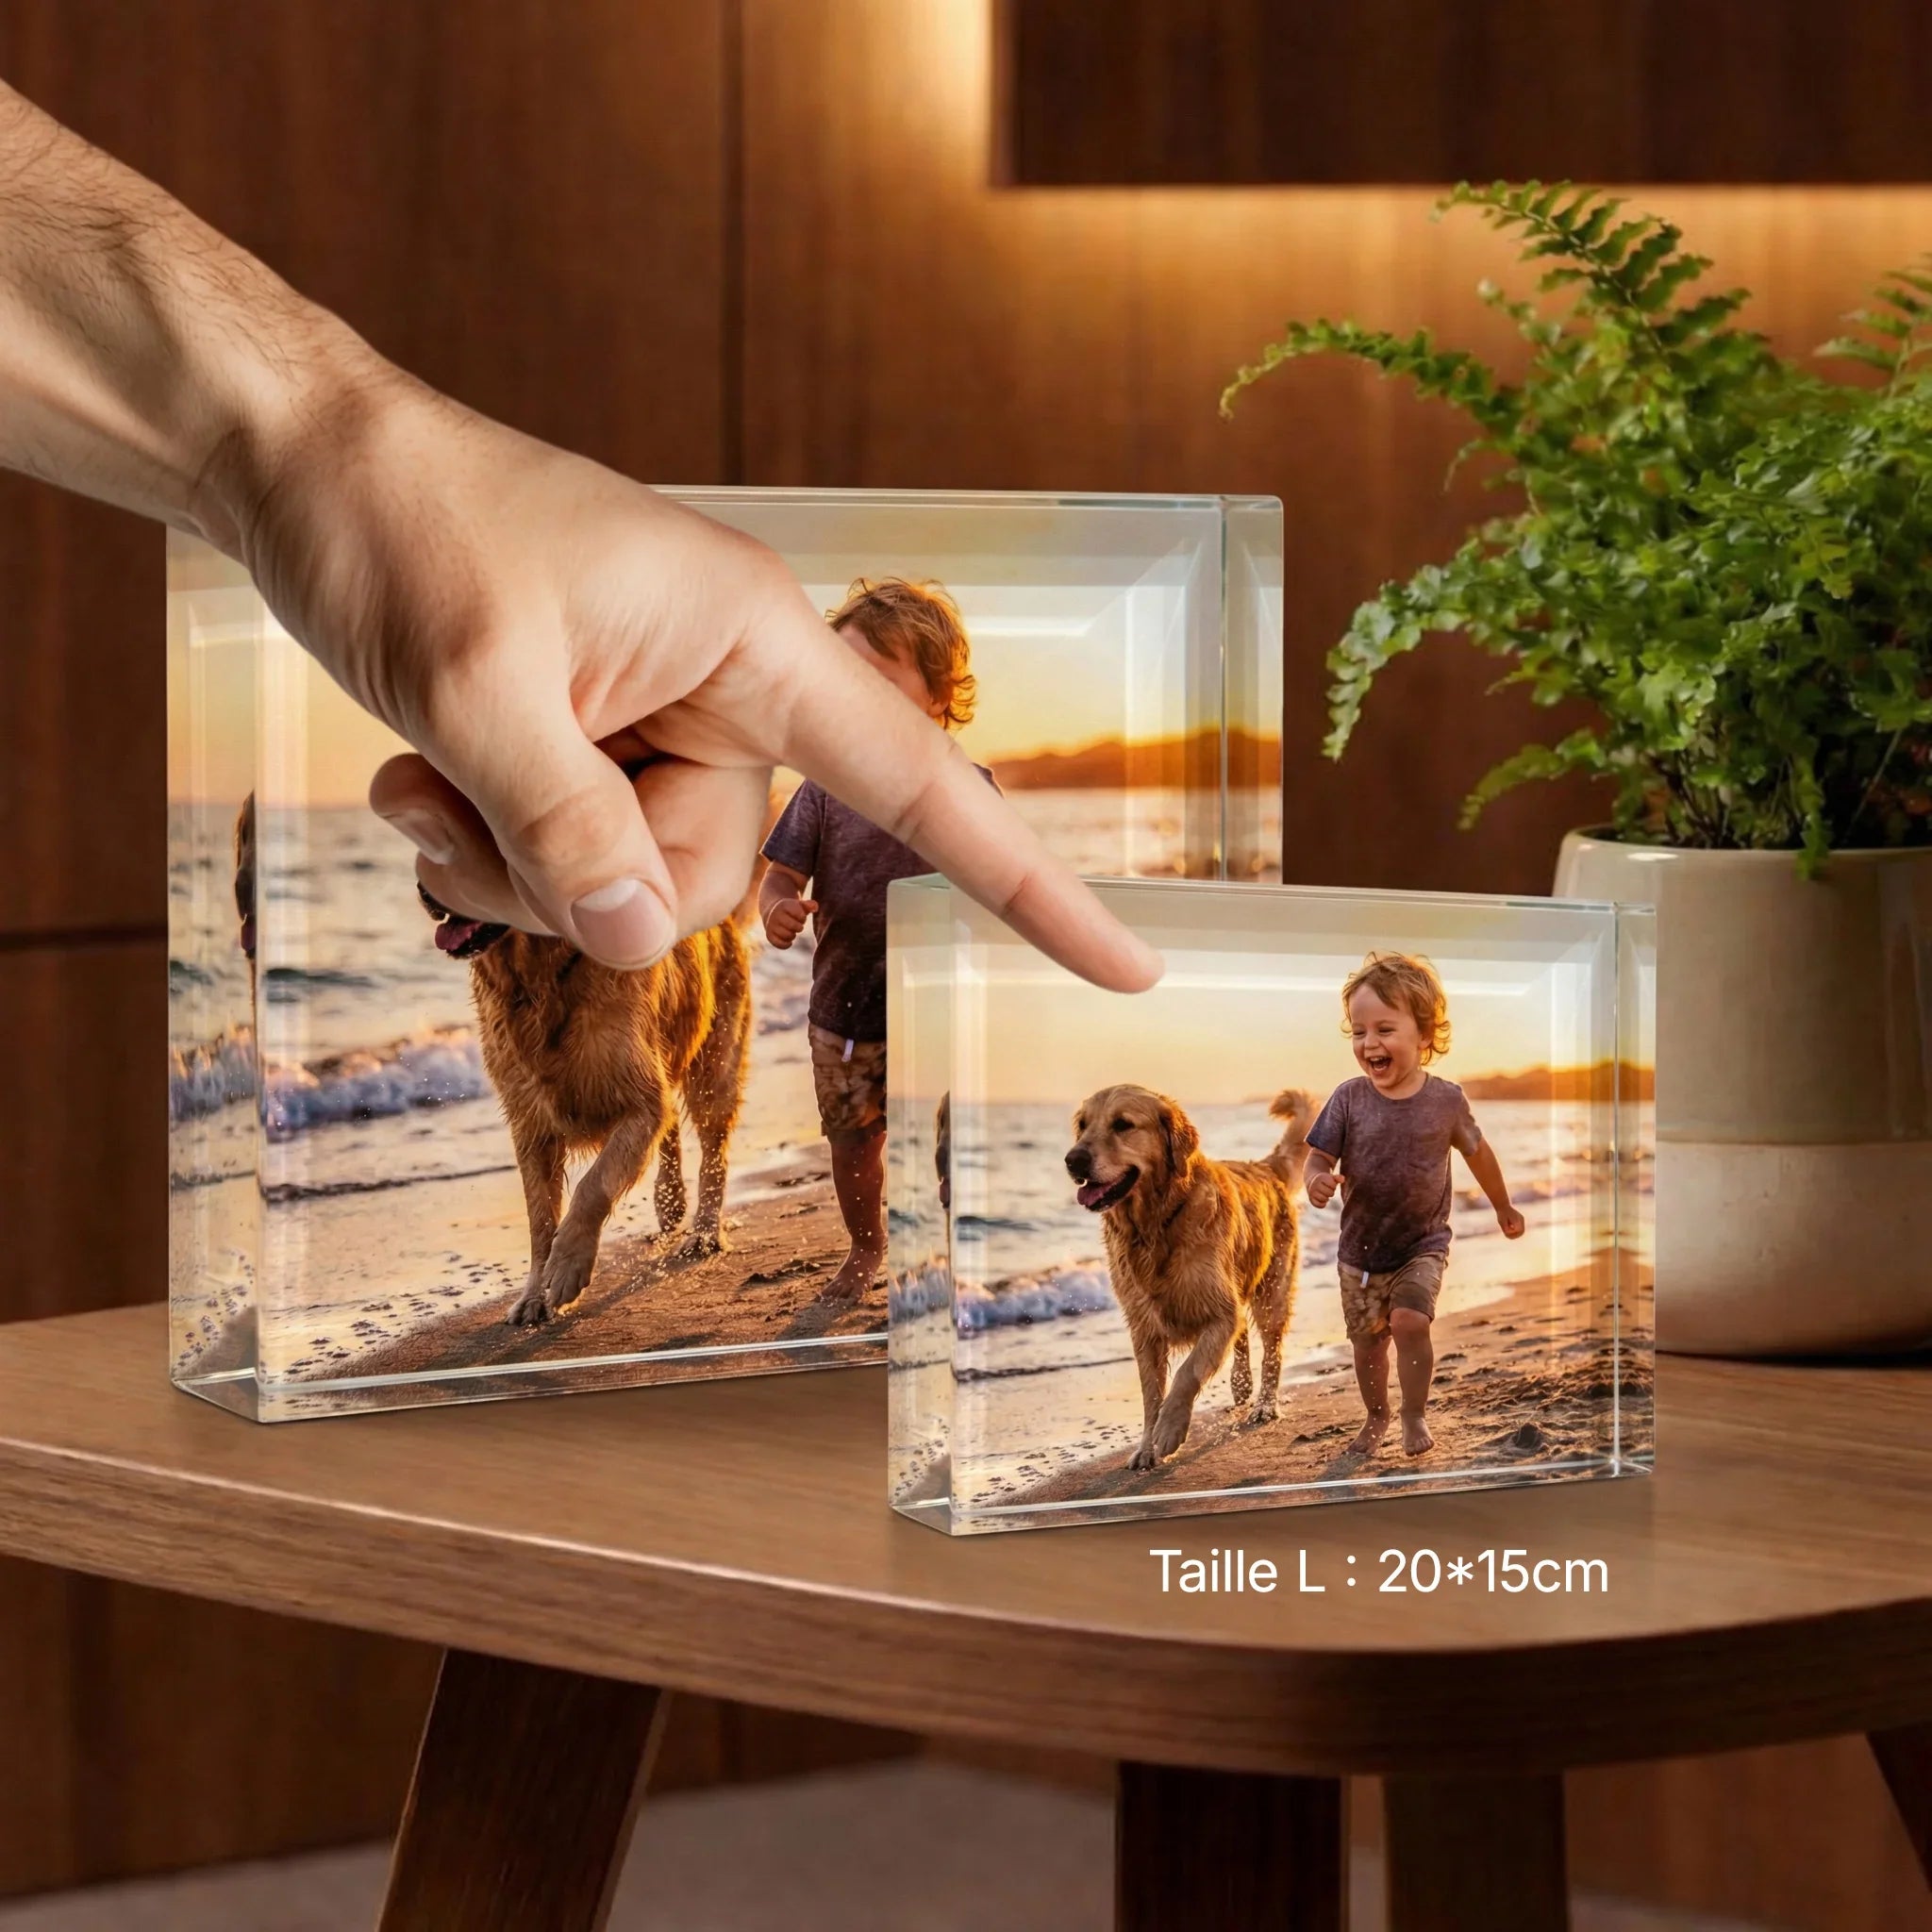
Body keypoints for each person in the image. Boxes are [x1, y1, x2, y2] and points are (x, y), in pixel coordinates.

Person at [0, 77, 1158, 997]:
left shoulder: (964, 788)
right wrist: (295, 438)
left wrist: (296, 440)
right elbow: (779, 875)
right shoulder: (805, 799)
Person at [759, 579, 987, 1300]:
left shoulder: (969, 788)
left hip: (943, 1015)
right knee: (853, 1143)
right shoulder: (824, 788)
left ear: (939, 692)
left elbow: (1006, 890)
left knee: (953, 1144)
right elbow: (780, 874)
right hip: (845, 1010)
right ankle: (867, 1247)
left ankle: (952, 1252)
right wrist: (777, 909)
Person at [1303, 952, 1524, 1458]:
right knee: (1367, 1345)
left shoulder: (1445, 1101)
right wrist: (1315, 1180)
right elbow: (1317, 1156)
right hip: (1360, 1252)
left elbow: (1478, 1152)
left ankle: (1413, 1413)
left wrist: (1503, 1206)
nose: (1369, 1043)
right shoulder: (1348, 1099)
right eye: (1359, 1031)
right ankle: (1377, 1415)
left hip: (1422, 1244)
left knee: (1409, 1321)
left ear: (1424, 1035)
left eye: (1385, 1029)